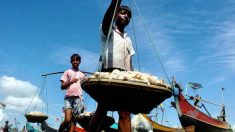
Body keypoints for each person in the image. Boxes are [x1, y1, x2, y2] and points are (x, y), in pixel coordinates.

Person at [88, 0, 135, 132]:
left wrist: (133, 79)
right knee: (102, 110)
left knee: (125, 113)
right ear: (115, 15)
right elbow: (111, 12)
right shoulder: (107, 30)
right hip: (108, 73)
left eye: (129, 15)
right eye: (123, 13)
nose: (126, 16)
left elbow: (129, 62)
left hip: (125, 77)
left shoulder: (128, 39)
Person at [58, 54, 86, 132]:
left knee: (74, 121)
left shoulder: (82, 74)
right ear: (71, 61)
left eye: (77, 60)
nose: (75, 62)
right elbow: (62, 87)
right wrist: (71, 82)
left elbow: (86, 86)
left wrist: (83, 104)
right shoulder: (67, 72)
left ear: (79, 62)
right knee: (67, 119)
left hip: (79, 98)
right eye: (73, 60)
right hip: (68, 97)